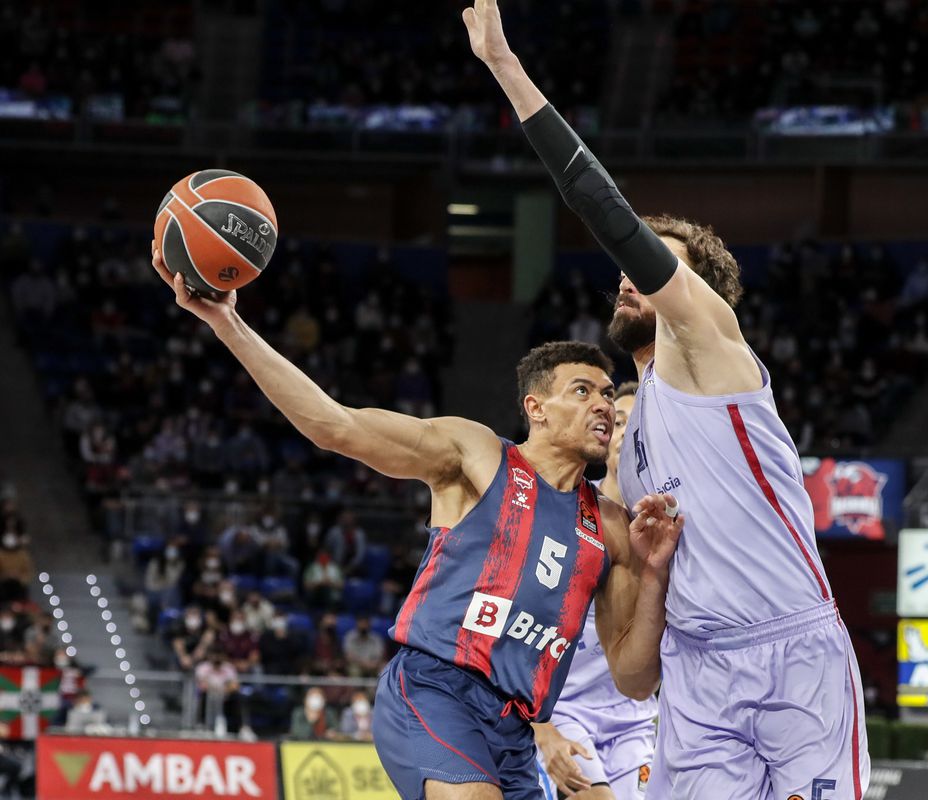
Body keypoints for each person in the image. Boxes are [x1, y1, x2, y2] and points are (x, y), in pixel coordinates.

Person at [465, 3, 867, 795]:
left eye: (651, 263)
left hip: (792, 651)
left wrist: (505, 68)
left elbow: (601, 206)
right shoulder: (626, 431)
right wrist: (646, 580)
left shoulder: (714, 346)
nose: (625, 274)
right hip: (696, 672)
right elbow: (632, 675)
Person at [150, 244, 682, 800]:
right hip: (435, 688)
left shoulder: (613, 528)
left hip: (515, 725)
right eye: (583, 390)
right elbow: (336, 426)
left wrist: (653, 575)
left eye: (605, 393)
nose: (602, 404)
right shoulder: (478, 455)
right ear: (536, 408)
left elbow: (635, 678)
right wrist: (227, 321)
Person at [533, 383, 658, 800]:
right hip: (563, 709)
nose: (624, 431)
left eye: (637, 422)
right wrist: (540, 727)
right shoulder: (568, 512)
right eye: (618, 421)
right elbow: (518, 623)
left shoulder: (672, 527)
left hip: (635, 718)